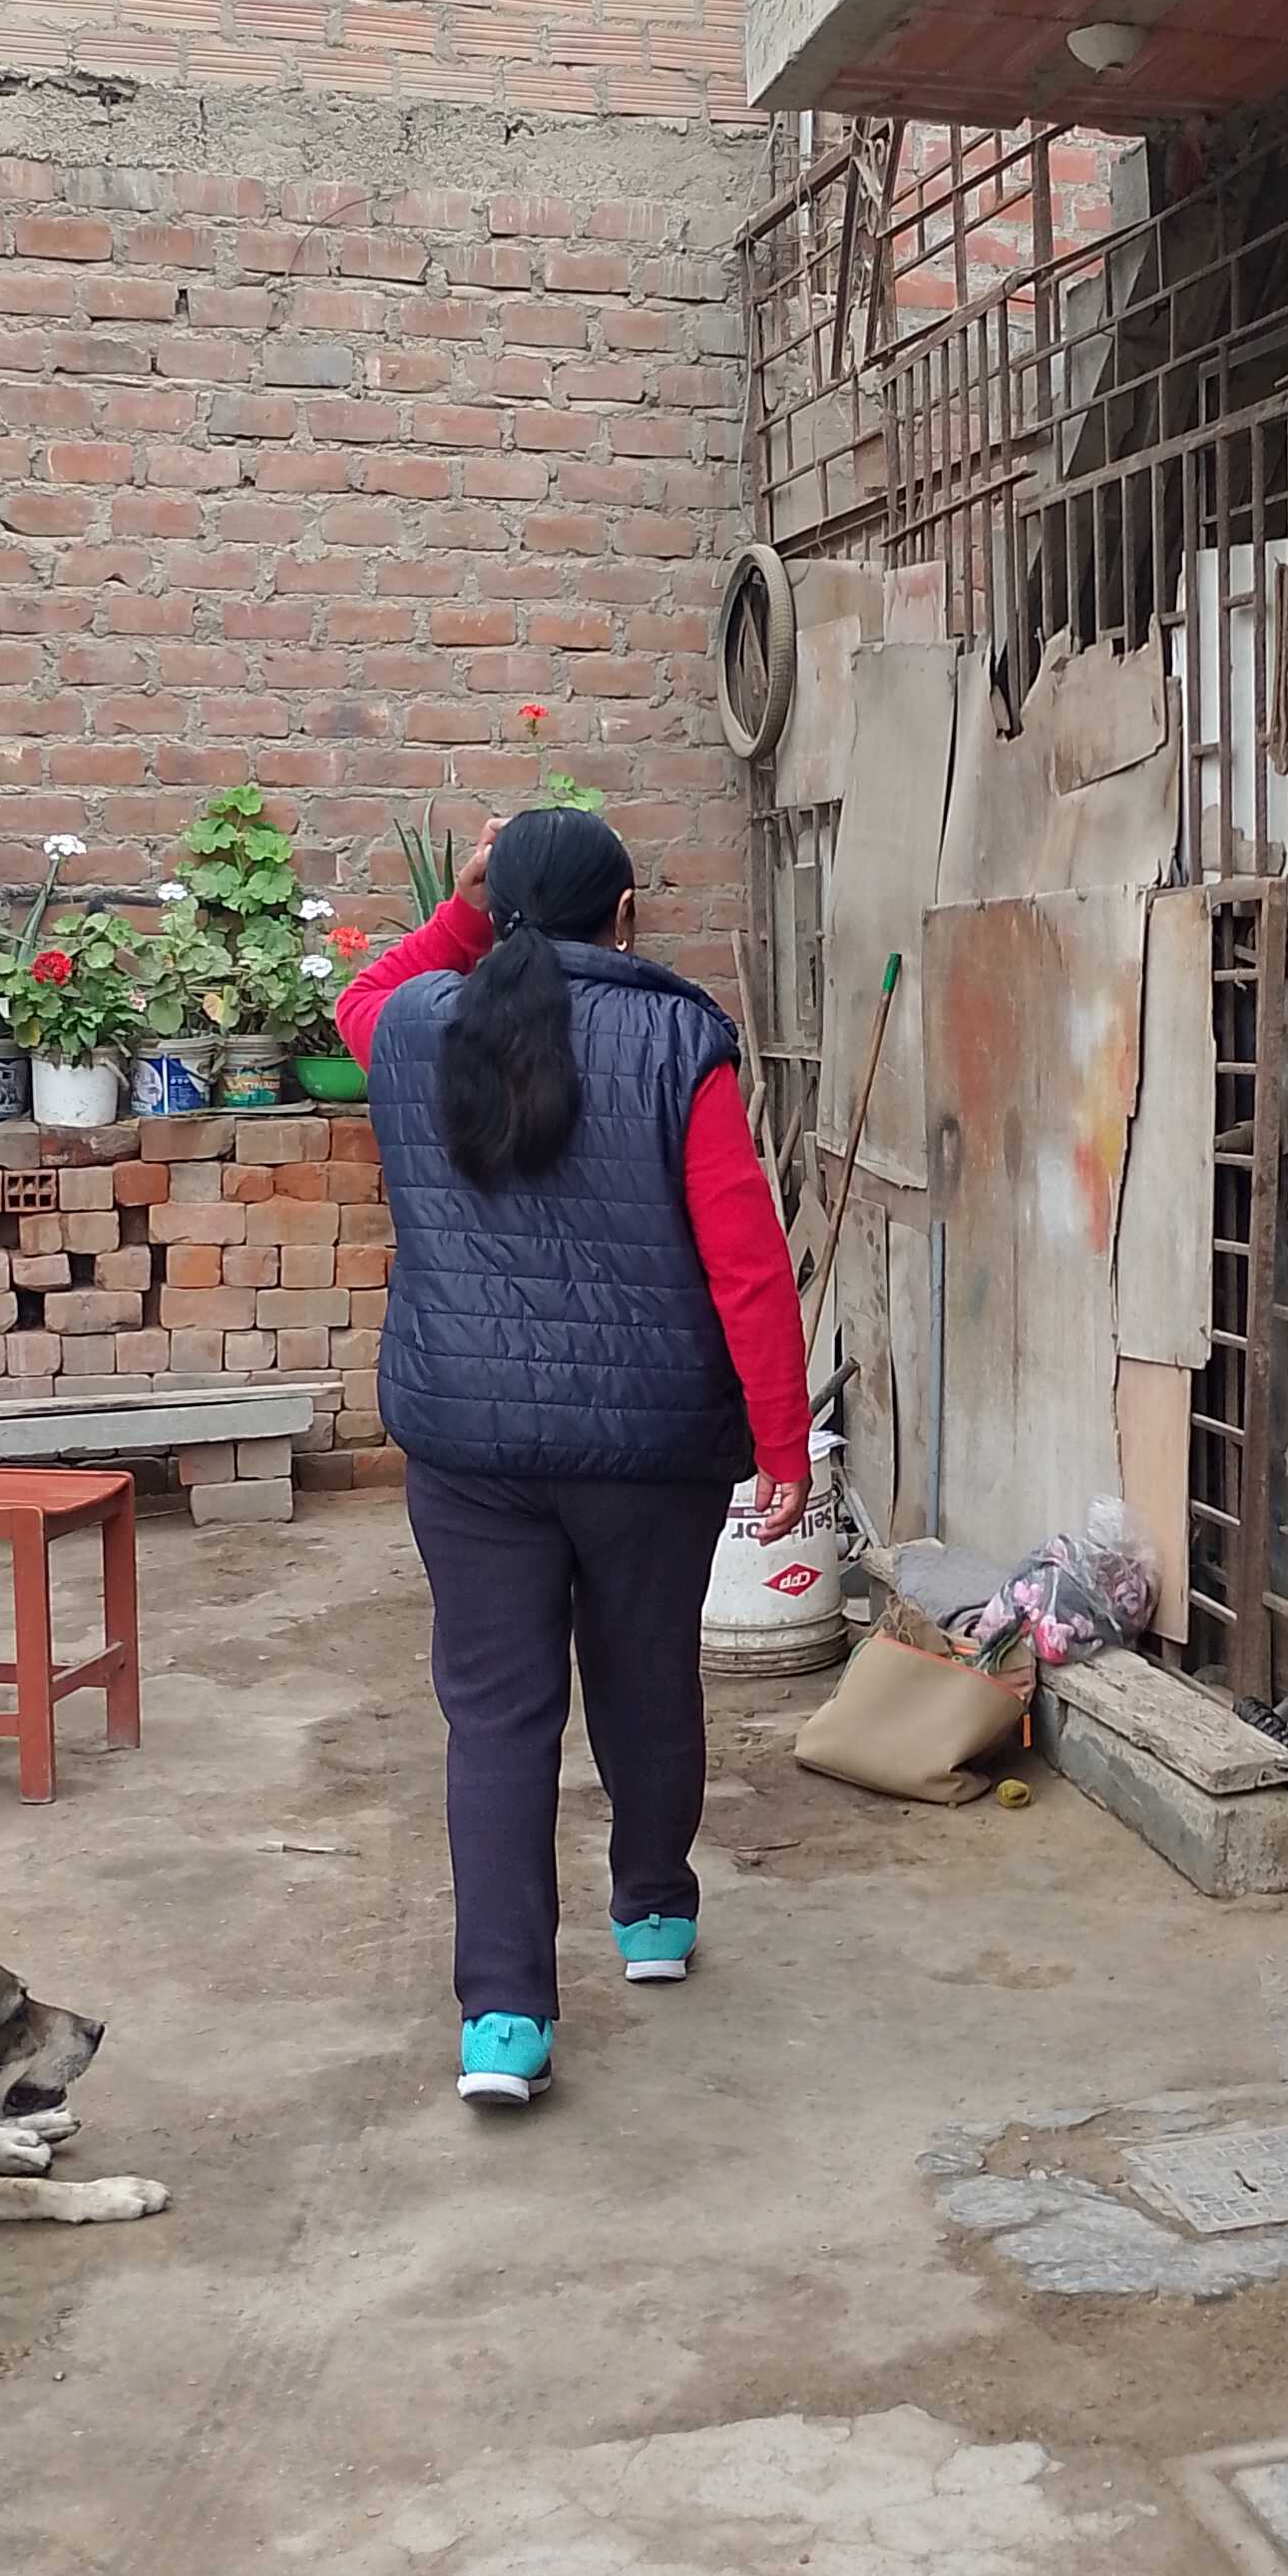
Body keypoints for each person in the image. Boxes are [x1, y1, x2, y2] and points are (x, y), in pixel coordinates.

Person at [339, 808, 811, 2110]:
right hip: (650, 1447)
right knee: (646, 1672)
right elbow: (746, 1261)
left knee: (496, 1716)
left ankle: (503, 2023)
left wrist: (462, 907)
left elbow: (359, 997)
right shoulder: (679, 1042)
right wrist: (781, 1438)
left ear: (496, 912)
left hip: (469, 1439)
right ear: (625, 916)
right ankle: (653, 1915)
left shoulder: (416, 1029)